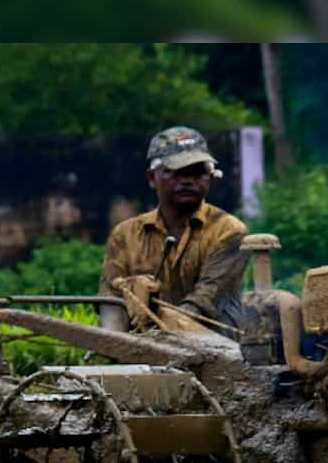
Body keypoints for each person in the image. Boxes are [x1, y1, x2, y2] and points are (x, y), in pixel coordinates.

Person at [98, 126, 248, 332]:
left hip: (216, 352)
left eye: (198, 172)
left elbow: (205, 301)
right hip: (138, 351)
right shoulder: (125, 234)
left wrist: (159, 333)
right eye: (176, 172)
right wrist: (113, 344)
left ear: (211, 177)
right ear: (152, 178)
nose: (187, 180)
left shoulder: (230, 230)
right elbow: (111, 301)